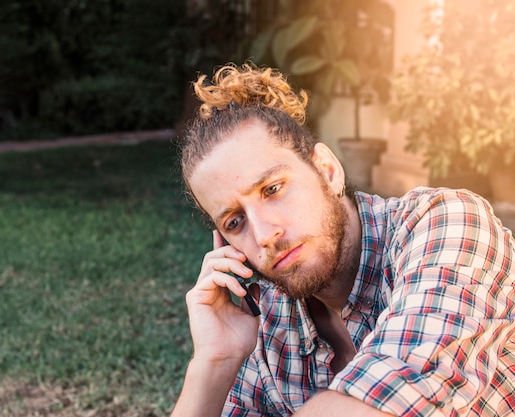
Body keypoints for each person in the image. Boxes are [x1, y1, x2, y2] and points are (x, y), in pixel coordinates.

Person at [170, 63, 515, 417]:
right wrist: (213, 364)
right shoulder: (268, 323)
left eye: (272, 189)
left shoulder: (447, 223)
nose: (263, 235)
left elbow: (392, 398)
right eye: (235, 221)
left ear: (328, 171)